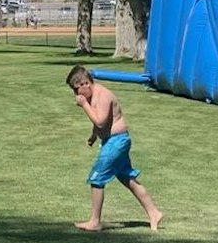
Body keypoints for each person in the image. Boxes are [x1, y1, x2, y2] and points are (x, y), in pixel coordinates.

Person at [66, 66, 163, 233]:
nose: (76, 95)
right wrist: (94, 136)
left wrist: (84, 105)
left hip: (117, 142)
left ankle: (95, 222)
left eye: (76, 90)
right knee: (127, 178)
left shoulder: (103, 95)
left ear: (85, 83)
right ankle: (154, 213)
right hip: (113, 141)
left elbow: (101, 121)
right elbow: (100, 123)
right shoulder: (93, 96)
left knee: (97, 178)